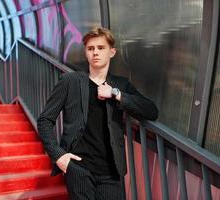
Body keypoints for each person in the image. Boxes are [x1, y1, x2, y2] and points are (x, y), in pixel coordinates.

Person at [37, 27, 158, 200]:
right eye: (90, 48)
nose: (95, 52)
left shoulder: (121, 85)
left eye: (101, 48)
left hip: (111, 171)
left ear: (112, 52)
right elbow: (45, 120)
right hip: (78, 168)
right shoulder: (70, 81)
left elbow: (151, 111)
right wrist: (59, 156)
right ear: (86, 53)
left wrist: (116, 94)